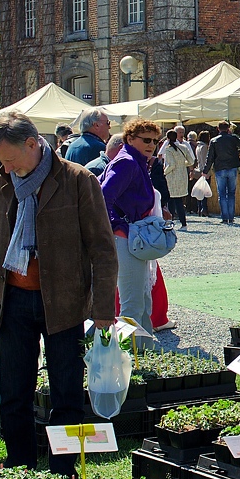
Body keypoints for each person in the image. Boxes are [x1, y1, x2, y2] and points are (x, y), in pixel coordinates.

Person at [0, 114, 117, 475]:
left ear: (33, 144)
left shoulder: (78, 181)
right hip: (12, 301)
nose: (5, 166)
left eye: (10, 159)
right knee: (14, 392)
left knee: (66, 393)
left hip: (64, 304)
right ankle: (20, 467)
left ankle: (63, 470)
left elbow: (103, 250)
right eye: (1, 161)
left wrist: (103, 307)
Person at [100, 118, 163, 329]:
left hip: (131, 236)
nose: (151, 145)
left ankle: (143, 353)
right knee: (132, 305)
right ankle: (127, 357)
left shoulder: (135, 161)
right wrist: (119, 225)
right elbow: (102, 197)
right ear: (129, 139)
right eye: (146, 140)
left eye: (155, 141)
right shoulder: (127, 162)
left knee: (142, 301)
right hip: (125, 238)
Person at [209, 121, 240, 224]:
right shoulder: (233, 138)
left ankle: (224, 218)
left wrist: (205, 171)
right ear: (228, 128)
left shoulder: (214, 140)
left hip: (220, 168)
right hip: (232, 167)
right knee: (231, 193)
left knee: (222, 193)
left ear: (218, 128)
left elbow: (210, 157)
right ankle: (231, 217)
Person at [159, 127, 194, 230]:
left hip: (172, 176)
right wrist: (182, 165)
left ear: (168, 139)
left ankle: (171, 222)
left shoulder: (169, 149)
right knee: (179, 201)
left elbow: (171, 165)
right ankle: (184, 224)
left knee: (171, 200)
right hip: (183, 175)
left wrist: (164, 173)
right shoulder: (184, 147)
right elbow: (191, 161)